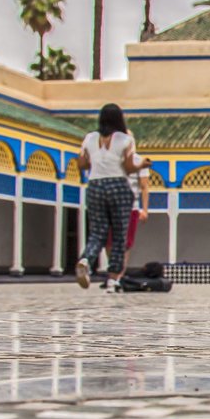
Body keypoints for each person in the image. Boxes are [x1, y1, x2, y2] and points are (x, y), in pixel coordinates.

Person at [74, 103, 136, 290]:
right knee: (119, 234)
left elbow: (81, 164)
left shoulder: (90, 138)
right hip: (118, 185)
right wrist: (142, 166)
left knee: (97, 232)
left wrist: (96, 161)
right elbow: (129, 167)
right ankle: (113, 278)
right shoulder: (125, 139)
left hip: (95, 185)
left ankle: (86, 259)